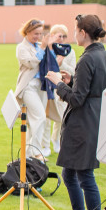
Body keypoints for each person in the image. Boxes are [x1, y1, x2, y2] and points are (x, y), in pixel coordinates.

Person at [45, 14, 106, 210]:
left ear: (83, 33)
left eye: (76, 31)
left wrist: (58, 83)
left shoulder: (87, 58)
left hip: (83, 122)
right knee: (71, 172)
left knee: (84, 175)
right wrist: (72, 80)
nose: (74, 35)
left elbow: (76, 100)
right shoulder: (103, 55)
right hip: (95, 118)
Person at [40, 24, 77, 156]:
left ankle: (56, 139)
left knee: (61, 117)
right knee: (46, 117)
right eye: (59, 35)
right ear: (52, 35)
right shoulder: (47, 48)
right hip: (47, 85)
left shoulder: (69, 51)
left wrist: (62, 64)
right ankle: (44, 145)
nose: (61, 39)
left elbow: (73, 70)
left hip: (62, 86)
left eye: (64, 36)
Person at [14, 19, 48, 161]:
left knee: (31, 121)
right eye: (35, 33)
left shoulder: (40, 45)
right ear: (27, 32)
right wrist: (42, 49)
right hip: (28, 86)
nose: (38, 37)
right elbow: (30, 63)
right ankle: (36, 151)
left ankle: (28, 154)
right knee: (40, 116)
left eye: (40, 34)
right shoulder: (21, 48)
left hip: (41, 86)